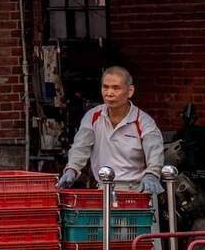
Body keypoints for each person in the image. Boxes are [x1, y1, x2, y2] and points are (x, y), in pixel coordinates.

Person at [59, 66, 165, 195]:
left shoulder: (143, 122)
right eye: (105, 87)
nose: (109, 93)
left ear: (130, 91)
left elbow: (155, 154)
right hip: (103, 188)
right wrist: (72, 169)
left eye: (116, 88)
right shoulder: (93, 116)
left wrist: (152, 174)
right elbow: (80, 148)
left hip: (138, 191)